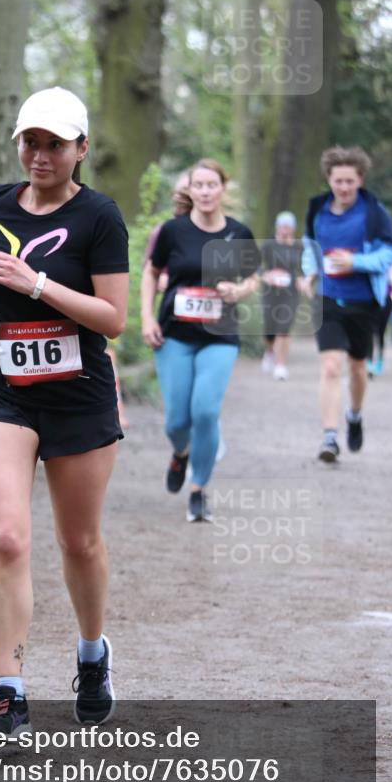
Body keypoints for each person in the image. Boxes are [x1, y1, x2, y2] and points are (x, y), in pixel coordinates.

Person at [0, 87, 129, 735]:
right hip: (4, 390)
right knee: (6, 537)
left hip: (79, 395)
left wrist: (37, 285)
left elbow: (113, 320)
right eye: (30, 140)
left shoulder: (100, 218)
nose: (40, 154)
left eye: (55, 143)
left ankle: (91, 654)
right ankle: (9, 687)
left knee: (77, 542)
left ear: (80, 149)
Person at [141, 159, 260, 522]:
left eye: (212, 185)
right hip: (174, 333)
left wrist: (237, 291)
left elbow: (254, 278)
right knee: (177, 421)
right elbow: (151, 272)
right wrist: (146, 316)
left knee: (205, 411)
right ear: (189, 191)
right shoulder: (172, 231)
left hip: (219, 335)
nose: (206, 192)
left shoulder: (239, 233)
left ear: (223, 189)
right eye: (199, 185)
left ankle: (199, 490)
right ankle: (181, 454)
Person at [299, 146, 392, 462]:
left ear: (360, 180)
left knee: (357, 369)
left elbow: (388, 254)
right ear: (328, 179)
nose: (343, 187)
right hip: (328, 300)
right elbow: (309, 247)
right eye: (338, 181)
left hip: (365, 302)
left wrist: (355, 261)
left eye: (349, 182)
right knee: (330, 366)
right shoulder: (317, 209)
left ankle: (354, 415)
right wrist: (309, 272)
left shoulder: (373, 213)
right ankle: (329, 437)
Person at [260, 211, 305, 380]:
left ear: (293, 229)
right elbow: (255, 264)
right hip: (270, 291)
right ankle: (269, 350)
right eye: (282, 227)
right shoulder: (269, 245)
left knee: (284, 327)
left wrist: (303, 279)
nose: (284, 230)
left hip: (290, 292)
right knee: (270, 327)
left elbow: (304, 268)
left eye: (288, 227)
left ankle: (280, 365)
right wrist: (266, 275)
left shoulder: (299, 247)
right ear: (277, 227)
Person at [367, 266, 392, 377]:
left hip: (386, 302)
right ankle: (369, 361)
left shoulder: (389, 264)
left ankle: (379, 361)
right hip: (371, 301)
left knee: (380, 333)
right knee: (370, 332)